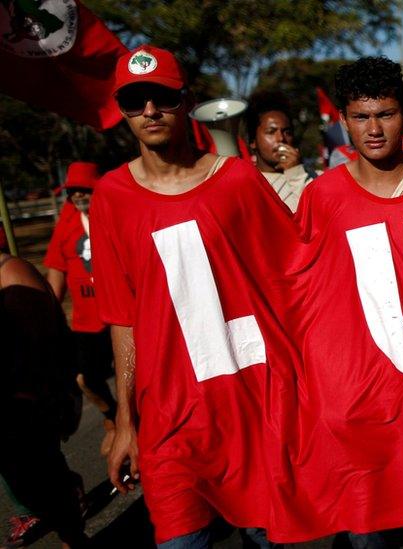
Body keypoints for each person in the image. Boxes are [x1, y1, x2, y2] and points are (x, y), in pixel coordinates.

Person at [93, 45, 299, 548]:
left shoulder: (239, 182)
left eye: (161, 98)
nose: (149, 112)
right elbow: (123, 317)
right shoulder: (110, 197)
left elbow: (296, 279)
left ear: (184, 102)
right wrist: (125, 420)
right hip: (170, 422)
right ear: (121, 110)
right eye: (134, 101)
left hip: (253, 408)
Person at [295, 55, 403, 549]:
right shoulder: (321, 198)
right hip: (360, 398)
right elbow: (299, 295)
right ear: (342, 120)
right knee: (369, 536)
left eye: (385, 113)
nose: (374, 128)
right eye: (361, 116)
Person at [1, 252, 88, 548]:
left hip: (26, 400)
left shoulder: (12, 274)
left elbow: (40, 353)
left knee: (39, 480)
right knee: (24, 480)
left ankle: (73, 532)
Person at [44, 161, 119, 457]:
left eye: (83, 189)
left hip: (122, 316)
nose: (78, 196)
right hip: (87, 322)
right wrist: (49, 314)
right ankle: (112, 417)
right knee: (85, 380)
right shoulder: (66, 226)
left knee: (138, 379)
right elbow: (55, 273)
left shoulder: (114, 216)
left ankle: (137, 426)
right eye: (72, 191)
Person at [246, 91, 317, 212]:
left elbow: (318, 215)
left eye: (287, 132)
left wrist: (296, 174)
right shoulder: (247, 183)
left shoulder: (313, 176)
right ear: (253, 141)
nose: (281, 138)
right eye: (271, 132)